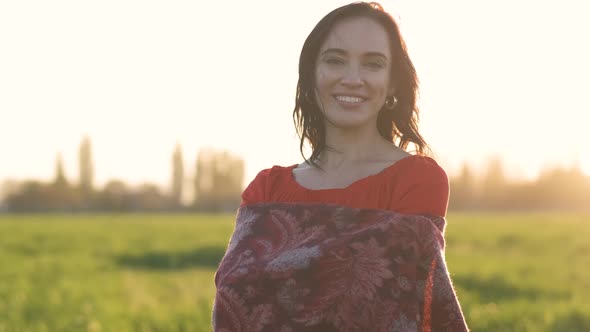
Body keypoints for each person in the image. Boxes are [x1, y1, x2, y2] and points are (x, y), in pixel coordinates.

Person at [213, 2, 468, 331]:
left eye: (373, 64)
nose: (353, 78)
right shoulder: (267, 188)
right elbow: (236, 298)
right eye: (335, 60)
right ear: (312, 74)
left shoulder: (417, 180)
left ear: (392, 84)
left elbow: (393, 303)